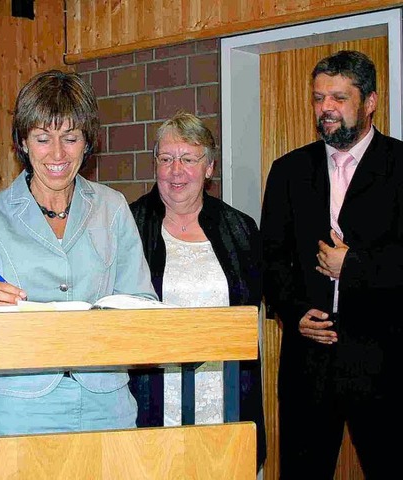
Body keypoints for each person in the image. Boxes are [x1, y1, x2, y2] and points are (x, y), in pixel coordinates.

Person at [0, 69, 158, 436]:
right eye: (43, 138)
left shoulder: (113, 208)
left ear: (87, 142)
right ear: (24, 143)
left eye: (71, 138)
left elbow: (142, 301)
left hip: (107, 405)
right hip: (18, 409)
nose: (58, 154)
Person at [261, 50, 403, 478]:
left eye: (339, 98)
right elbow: (270, 258)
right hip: (308, 367)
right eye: (319, 97)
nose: (326, 108)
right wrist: (293, 313)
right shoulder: (288, 171)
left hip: (384, 365)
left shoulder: (400, 166)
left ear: (370, 101)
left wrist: (353, 266)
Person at [129, 111, 267, 470]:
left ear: (209, 168)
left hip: (226, 394)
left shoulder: (240, 229)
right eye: (166, 159)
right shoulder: (129, 225)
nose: (176, 171)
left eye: (188, 159)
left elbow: (251, 305)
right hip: (153, 398)